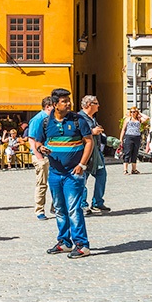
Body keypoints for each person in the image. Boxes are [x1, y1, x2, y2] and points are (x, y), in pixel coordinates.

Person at [31, 89, 93, 258]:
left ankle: (82, 245)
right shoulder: (46, 122)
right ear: (55, 105)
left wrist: (82, 164)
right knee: (59, 208)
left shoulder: (78, 120)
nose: (68, 104)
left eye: (68, 101)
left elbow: (89, 142)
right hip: (55, 172)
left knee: (73, 209)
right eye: (64, 101)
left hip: (74, 173)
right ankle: (65, 242)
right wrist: (40, 148)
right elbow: (37, 142)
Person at [80, 96, 110, 213]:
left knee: (101, 175)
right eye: (96, 103)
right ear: (89, 104)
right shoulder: (79, 118)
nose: (98, 106)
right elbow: (77, 134)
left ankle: (97, 202)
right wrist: (92, 132)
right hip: (85, 153)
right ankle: (82, 204)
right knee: (82, 179)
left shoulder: (92, 118)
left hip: (96, 152)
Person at [28, 94, 56, 220]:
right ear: (48, 106)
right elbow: (31, 139)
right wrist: (39, 157)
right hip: (41, 156)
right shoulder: (38, 119)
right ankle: (39, 210)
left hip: (51, 155)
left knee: (56, 182)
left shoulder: (52, 119)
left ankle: (55, 206)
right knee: (42, 184)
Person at [121, 108, 143, 174]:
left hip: (137, 137)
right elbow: (123, 129)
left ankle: (134, 169)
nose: (133, 113)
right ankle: (125, 169)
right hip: (129, 137)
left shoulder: (139, 119)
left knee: (135, 153)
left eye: (134, 112)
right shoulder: (127, 119)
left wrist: (139, 113)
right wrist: (121, 139)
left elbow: (147, 118)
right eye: (131, 112)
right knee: (127, 152)